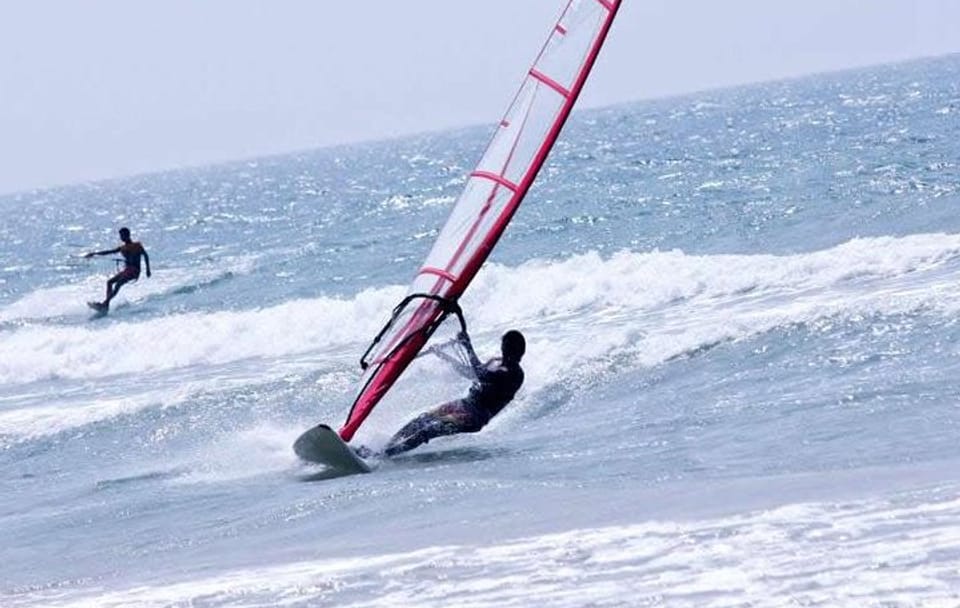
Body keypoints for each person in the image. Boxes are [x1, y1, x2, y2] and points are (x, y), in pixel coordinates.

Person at [381, 328, 526, 457]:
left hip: (475, 416)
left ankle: (385, 455)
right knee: (422, 419)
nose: (504, 350)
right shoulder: (495, 361)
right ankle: (384, 447)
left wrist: (468, 346)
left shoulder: (514, 374)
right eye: (504, 346)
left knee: (429, 430)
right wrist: (444, 356)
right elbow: (470, 373)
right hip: (464, 403)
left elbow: (481, 375)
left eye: (508, 347)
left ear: (517, 351)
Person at [85, 227, 151, 310]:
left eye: (122, 235)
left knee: (118, 284)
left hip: (134, 271)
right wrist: (94, 254)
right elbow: (109, 252)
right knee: (109, 282)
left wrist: (148, 270)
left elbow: (145, 255)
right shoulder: (122, 248)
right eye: (121, 236)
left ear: (128, 235)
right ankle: (106, 305)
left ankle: (104, 303)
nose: (121, 237)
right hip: (127, 270)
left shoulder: (137, 245)